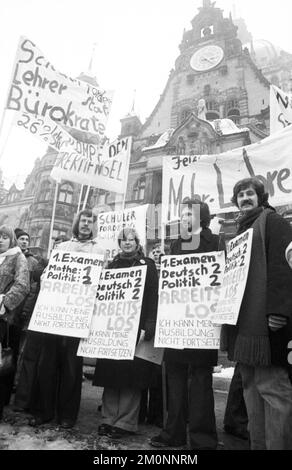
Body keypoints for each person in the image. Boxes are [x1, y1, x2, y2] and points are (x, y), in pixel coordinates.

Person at [222, 177, 292, 450]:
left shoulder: (273, 222)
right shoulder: (240, 229)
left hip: (268, 325)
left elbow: (283, 267)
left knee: (273, 390)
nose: (244, 198)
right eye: (240, 195)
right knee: (250, 389)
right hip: (244, 325)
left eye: (250, 193)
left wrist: (279, 310)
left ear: (260, 196)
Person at [150, 198, 225, 449]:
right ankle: (173, 434)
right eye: (181, 215)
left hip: (201, 323)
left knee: (201, 382)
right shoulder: (174, 245)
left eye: (189, 214)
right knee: (175, 380)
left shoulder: (215, 242)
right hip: (176, 323)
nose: (183, 218)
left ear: (201, 217)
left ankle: (203, 439)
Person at [29, 209, 105, 428]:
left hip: (78, 317)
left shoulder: (99, 251)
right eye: (83, 220)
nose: (86, 224)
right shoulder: (62, 248)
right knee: (47, 365)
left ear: (93, 226)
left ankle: (67, 416)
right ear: (77, 223)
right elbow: (48, 274)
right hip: (54, 316)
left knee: (72, 368)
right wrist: (46, 278)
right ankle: (44, 411)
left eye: (90, 221)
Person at [93, 227, 159, 439]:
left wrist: (150, 324)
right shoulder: (111, 266)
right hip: (112, 328)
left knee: (131, 376)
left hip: (135, 328)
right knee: (111, 373)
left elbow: (152, 296)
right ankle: (108, 418)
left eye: (132, 240)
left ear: (137, 243)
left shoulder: (147, 265)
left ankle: (126, 422)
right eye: (124, 240)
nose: (128, 243)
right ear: (119, 243)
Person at [0, 225, 30, 420]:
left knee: (3, 363)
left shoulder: (18, 257)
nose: (0, 240)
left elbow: (23, 285)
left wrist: (4, 302)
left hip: (5, 319)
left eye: (4, 237)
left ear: (11, 239)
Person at [139, 243, 165, 427]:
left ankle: (156, 413)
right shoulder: (145, 268)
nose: (157, 254)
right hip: (146, 322)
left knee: (158, 373)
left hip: (163, 323)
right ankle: (139, 412)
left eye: (160, 252)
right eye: (154, 251)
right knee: (141, 367)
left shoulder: (169, 270)